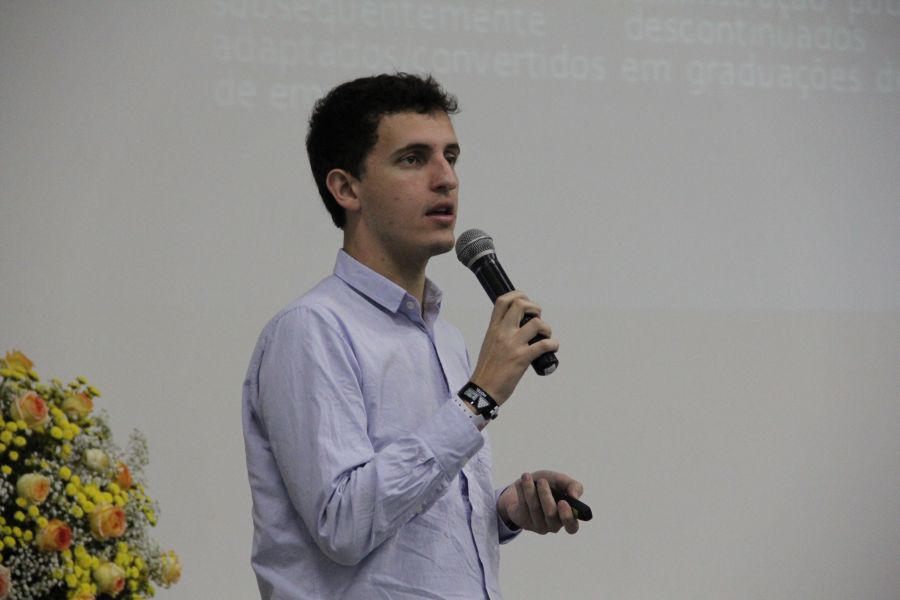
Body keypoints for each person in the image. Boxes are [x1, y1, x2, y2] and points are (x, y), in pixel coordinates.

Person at [242, 73, 586, 600]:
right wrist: (478, 398)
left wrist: (504, 510)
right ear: (346, 188)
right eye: (413, 159)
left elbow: (410, 524)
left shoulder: (445, 338)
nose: (446, 179)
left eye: (451, 157)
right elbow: (342, 523)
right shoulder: (311, 330)